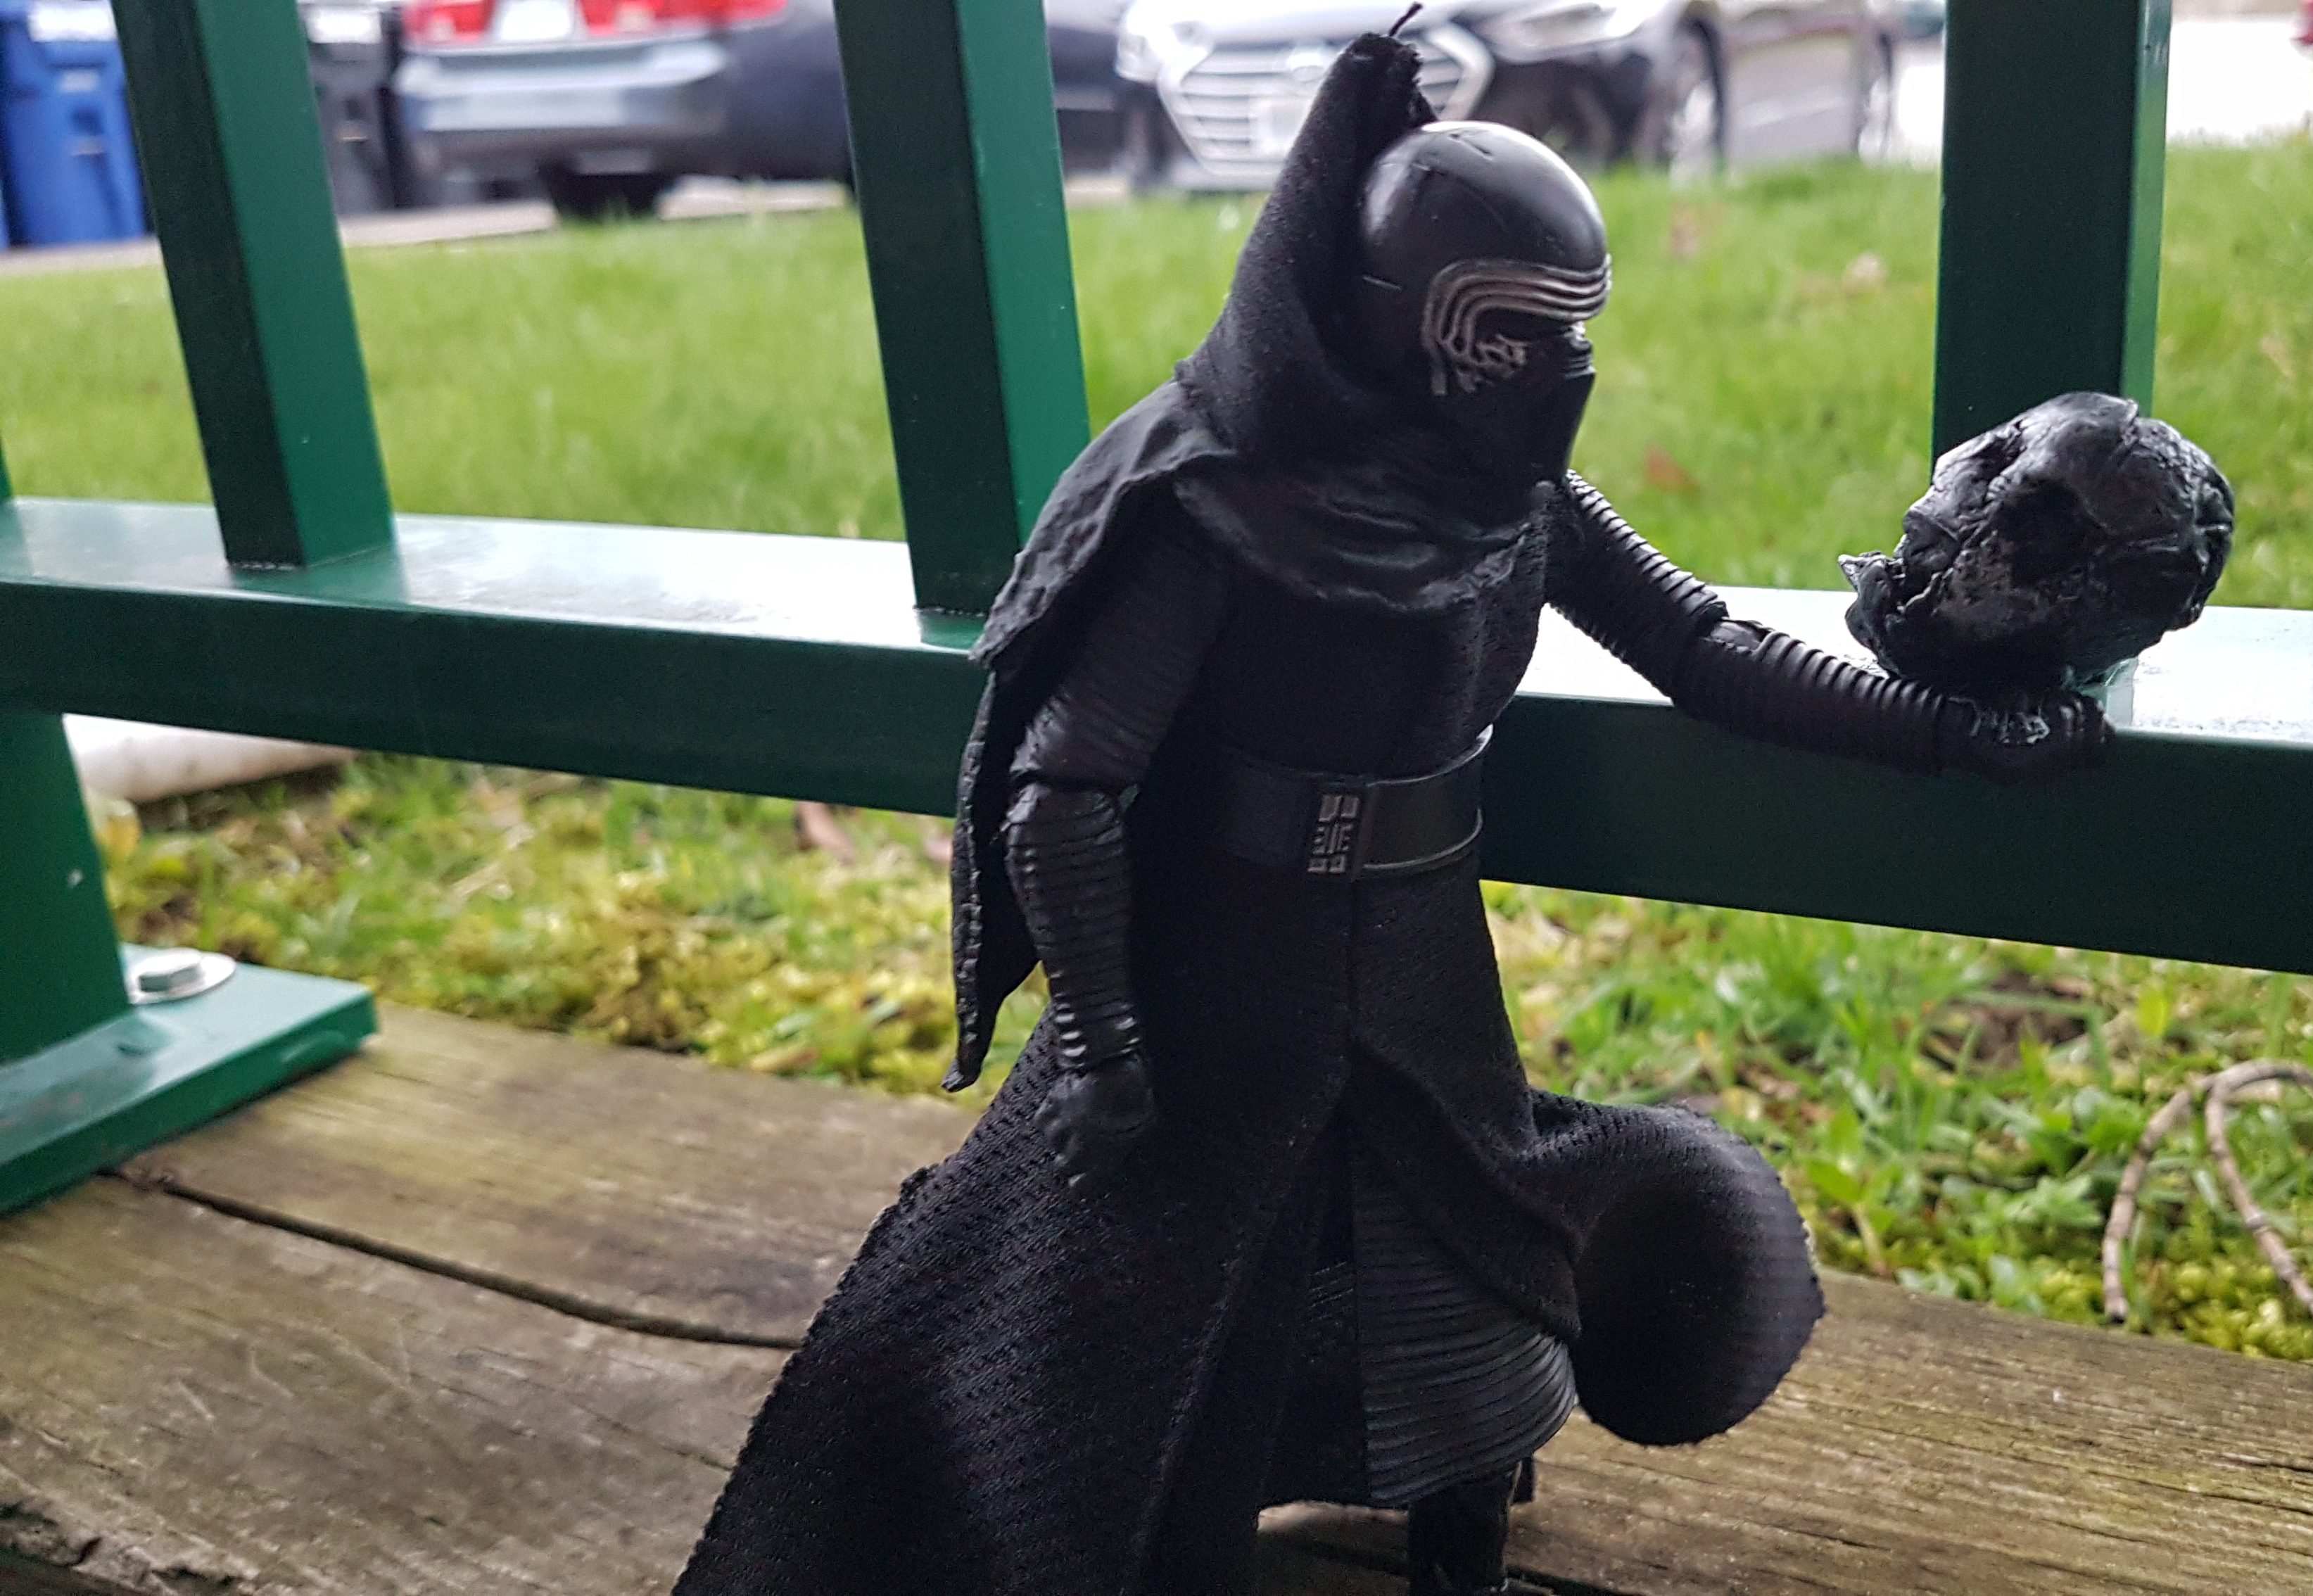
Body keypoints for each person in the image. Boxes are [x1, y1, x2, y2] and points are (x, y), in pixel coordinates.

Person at [676, 31, 2106, 1596]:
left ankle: (1457, 1547)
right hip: (1222, 971)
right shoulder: (1218, 506)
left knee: (1459, 1258)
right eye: (1514, 331)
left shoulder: (1518, 506)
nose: (1554, 370)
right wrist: (1098, 1037)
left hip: (1420, 962)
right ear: (1399, 322)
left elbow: (1701, 645)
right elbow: (1066, 789)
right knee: (1146, 1316)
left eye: (1573, 328)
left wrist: (1951, 734)